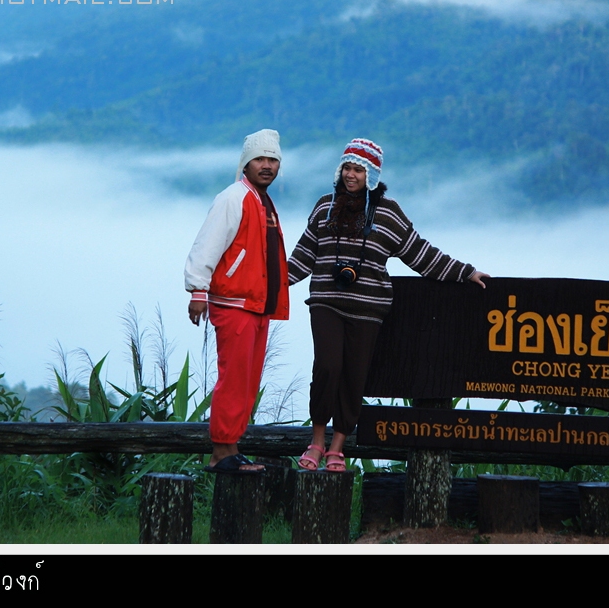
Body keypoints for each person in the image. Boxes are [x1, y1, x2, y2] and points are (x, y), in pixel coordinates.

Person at [287, 138, 489, 472]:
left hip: (369, 309)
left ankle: (338, 446)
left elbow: (421, 254)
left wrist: (465, 272)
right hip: (326, 302)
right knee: (327, 366)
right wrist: (268, 284)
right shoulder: (324, 207)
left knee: (355, 375)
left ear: (372, 175)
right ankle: (317, 440)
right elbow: (303, 256)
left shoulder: (388, 214)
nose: (351, 175)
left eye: (359, 170)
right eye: (347, 168)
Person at [185, 129, 290, 473]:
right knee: (233, 379)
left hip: (257, 305)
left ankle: (231, 447)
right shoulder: (233, 198)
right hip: (234, 303)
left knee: (246, 381)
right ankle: (221, 452)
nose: (267, 166)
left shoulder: (262, 201)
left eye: (273, 159)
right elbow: (207, 244)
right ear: (246, 164)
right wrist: (198, 291)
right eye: (260, 159)